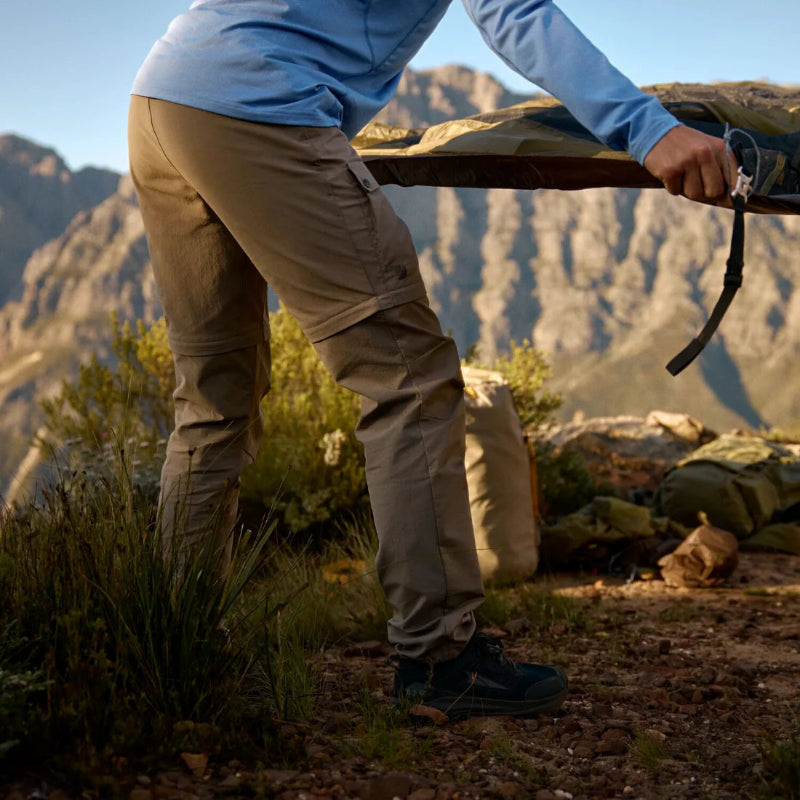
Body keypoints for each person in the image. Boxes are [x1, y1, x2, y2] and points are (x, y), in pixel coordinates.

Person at [128, 0, 734, 721]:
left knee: (213, 402)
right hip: (260, 106)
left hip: (163, 100)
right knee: (409, 378)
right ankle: (441, 654)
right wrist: (650, 128)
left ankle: (174, 643)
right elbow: (513, 11)